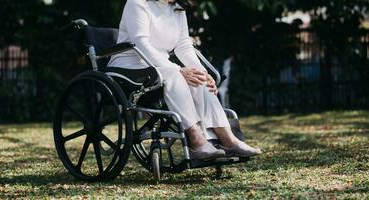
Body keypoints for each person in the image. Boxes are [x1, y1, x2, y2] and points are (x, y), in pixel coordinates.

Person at [107, 0, 261, 160]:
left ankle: (229, 140)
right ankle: (196, 139)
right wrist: (178, 69)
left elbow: (183, 46)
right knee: (175, 74)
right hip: (130, 66)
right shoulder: (137, 3)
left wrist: (203, 73)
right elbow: (141, 44)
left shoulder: (177, 9)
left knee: (197, 77)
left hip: (159, 66)